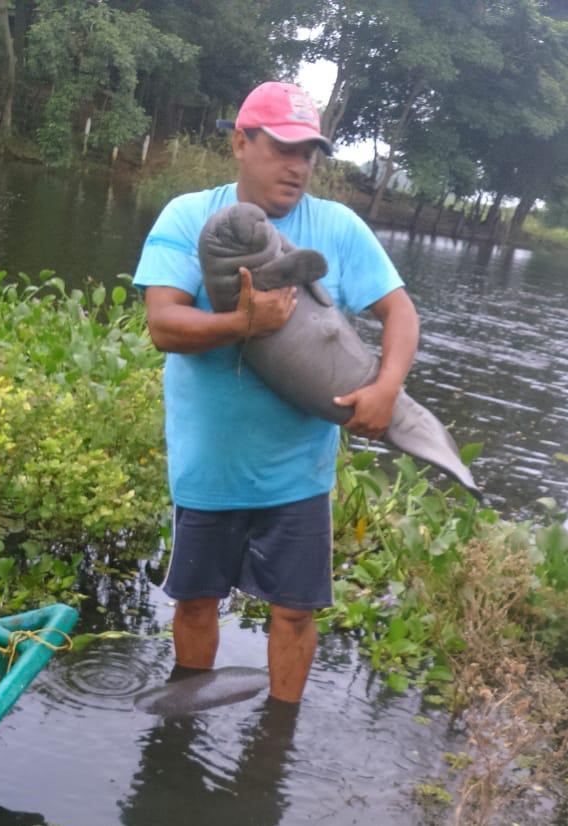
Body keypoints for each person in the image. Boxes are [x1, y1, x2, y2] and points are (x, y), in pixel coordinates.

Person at [133, 81, 419, 704]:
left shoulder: (338, 227)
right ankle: (187, 729)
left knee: (295, 612)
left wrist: (387, 388)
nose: (298, 166)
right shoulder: (189, 215)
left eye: (309, 153)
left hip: (299, 472)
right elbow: (163, 324)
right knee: (197, 602)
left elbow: (401, 313)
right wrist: (243, 324)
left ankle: (278, 737)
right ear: (241, 142)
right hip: (210, 464)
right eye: (282, 148)